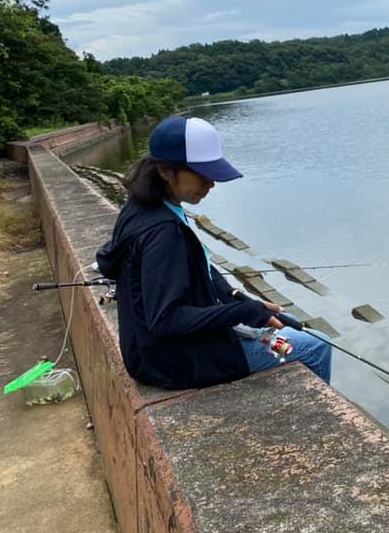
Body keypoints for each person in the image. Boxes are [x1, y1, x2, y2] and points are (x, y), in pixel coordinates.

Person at [96, 116, 331, 389]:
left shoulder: (146, 206)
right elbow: (165, 320)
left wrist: (235, 297)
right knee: (317, 345)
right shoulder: (163, 232)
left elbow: (202, 268)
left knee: (286, 326)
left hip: (153, 351)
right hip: (175, 362)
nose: (211, 183)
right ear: (166, 171)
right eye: (201, 173)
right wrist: (241, 312)